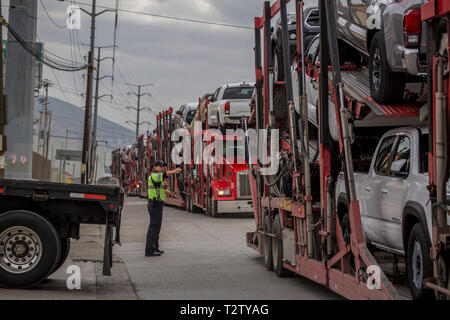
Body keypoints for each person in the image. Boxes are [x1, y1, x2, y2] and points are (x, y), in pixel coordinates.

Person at [145, 160, 182, 257]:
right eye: (161, 167)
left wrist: (166, 192)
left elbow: (157, 188)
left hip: (157, 203)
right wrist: (175, 171)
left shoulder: (156, 176)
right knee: (153, 227)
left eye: (163, 167)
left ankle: (155, 247)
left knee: (156, 227)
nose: (163, 169)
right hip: (155, 204)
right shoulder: (154, 175)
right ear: (156, 167)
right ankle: (149, 250)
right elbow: (165, 175)